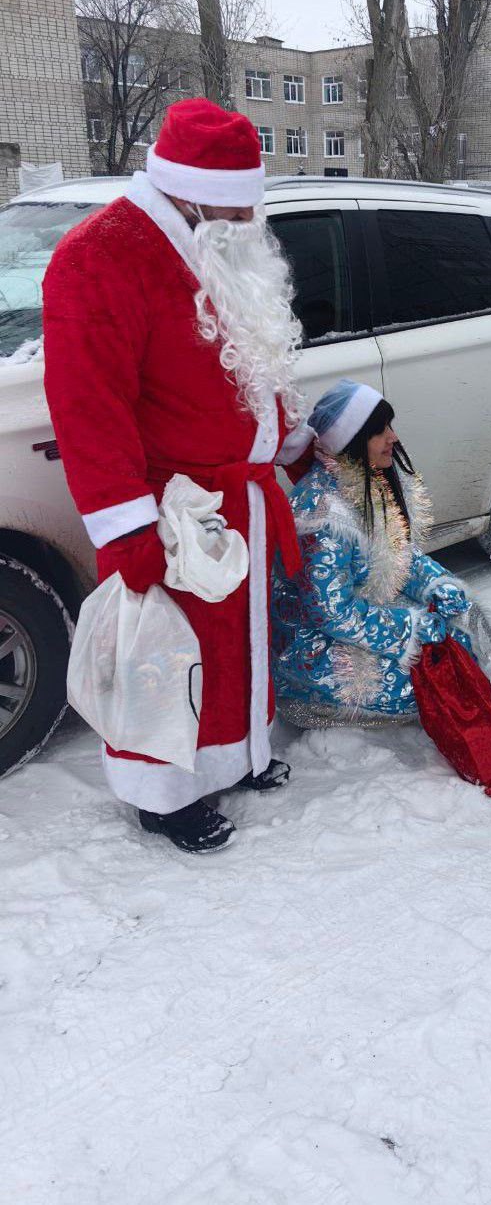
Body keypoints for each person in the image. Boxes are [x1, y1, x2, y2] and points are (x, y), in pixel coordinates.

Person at [42, 99, 314, 853]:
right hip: (169, 512)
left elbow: (246, 368)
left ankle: (240, 755)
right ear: (193, 195)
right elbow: (88, 408)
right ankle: (163, 796)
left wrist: (288, 443)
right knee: (169, 659)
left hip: (237, 502)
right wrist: (126, 528)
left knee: (234, 651)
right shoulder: (102, 256)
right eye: (238, 206)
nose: (250, 220)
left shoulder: (216, 245)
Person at [271, 378, 480, 727]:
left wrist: (437, 584)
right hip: (313, 646)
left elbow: (398, 554)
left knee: (460, 634)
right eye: (381, 431)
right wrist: (410, 628)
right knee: (431, 679)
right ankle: (312, 705)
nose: (393, 438)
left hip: (358, 613)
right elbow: (331, 614)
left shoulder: (365, 482)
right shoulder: (322, 516)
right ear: (353, 440)